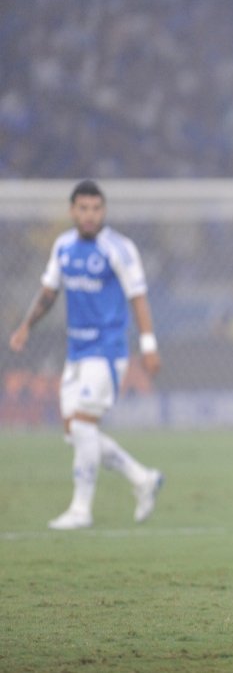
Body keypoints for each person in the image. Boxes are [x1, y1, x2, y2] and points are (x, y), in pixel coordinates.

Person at [8, 180, 165, 530]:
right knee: (75, 433)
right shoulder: (63, 247)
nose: (90, 215)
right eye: (83, 208)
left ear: (103, 211)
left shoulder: (118, 249)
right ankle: (142, 478)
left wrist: (149, 346)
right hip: (76, 350)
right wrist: (25, 326)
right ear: (72, 211)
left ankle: (81, 510)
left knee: (82, 425)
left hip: (107, 350)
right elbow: (49, 292)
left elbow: (138, 297)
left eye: (96, 209)